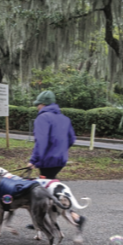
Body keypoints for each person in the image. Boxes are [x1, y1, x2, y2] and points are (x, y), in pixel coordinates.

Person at [26, 90, 85, 230]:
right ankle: (45, 219)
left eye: (37, 105)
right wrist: (60, 150)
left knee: (47, 191)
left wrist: (33, 160)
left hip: (47, 161)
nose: (36, 108)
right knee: (50, 188)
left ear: (42, 104)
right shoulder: (65, 118)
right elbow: (72, 139)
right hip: (60, 160)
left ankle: (75, 217)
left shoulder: (43, 118)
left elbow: (41, 141)